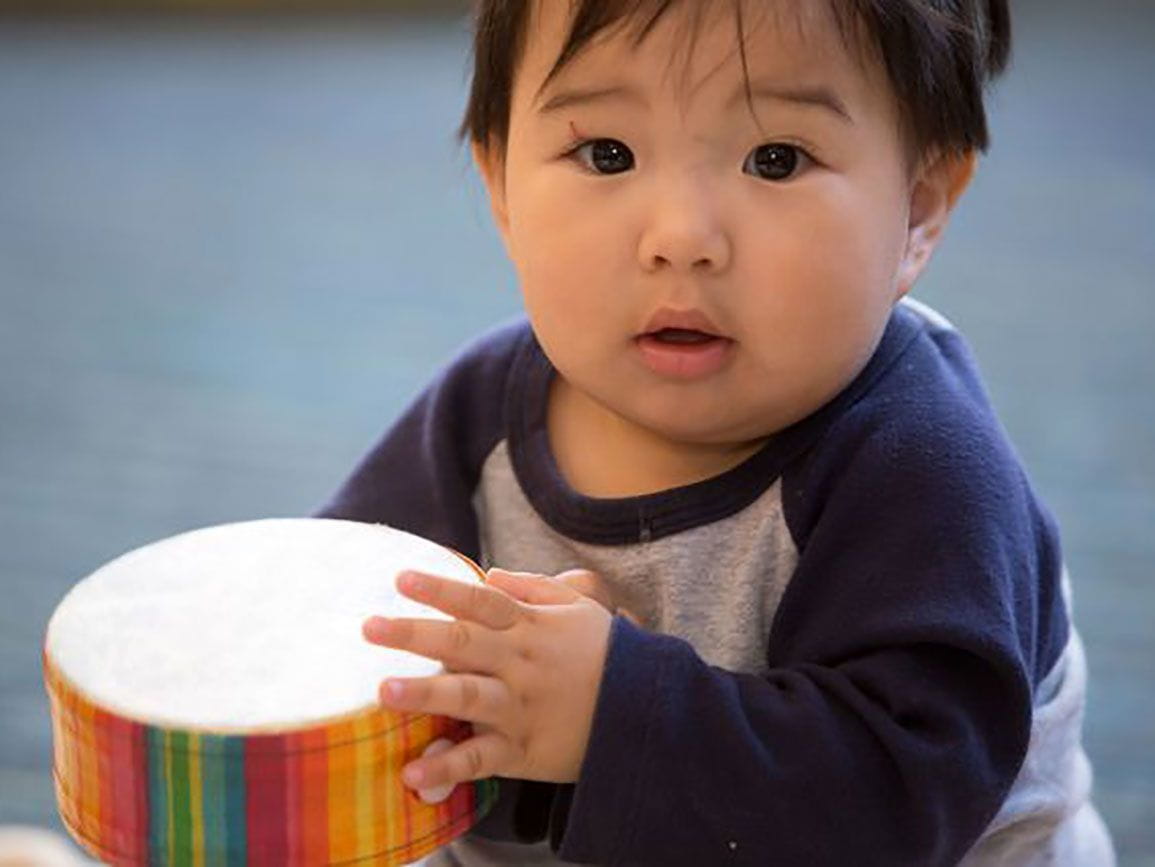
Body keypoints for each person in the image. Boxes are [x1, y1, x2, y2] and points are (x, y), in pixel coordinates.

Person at [316, 1, 1115, 863]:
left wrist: (611, 713)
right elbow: (331, 629)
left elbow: (900, 796)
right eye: (607, 153)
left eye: (775, 160)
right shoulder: (476, 418)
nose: (681, 238)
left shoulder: (923, 467)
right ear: (501, 184)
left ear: (916, 209)